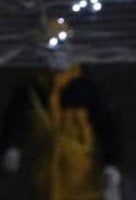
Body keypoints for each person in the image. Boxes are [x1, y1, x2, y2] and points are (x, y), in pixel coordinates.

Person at [0, 64, 122, 200]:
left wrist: (112, 165)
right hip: (42, 184)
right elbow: (13, 123)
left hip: (83, 186)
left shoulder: (88, 90)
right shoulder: (29, 92)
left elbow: (109, 130)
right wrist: (11, 148)